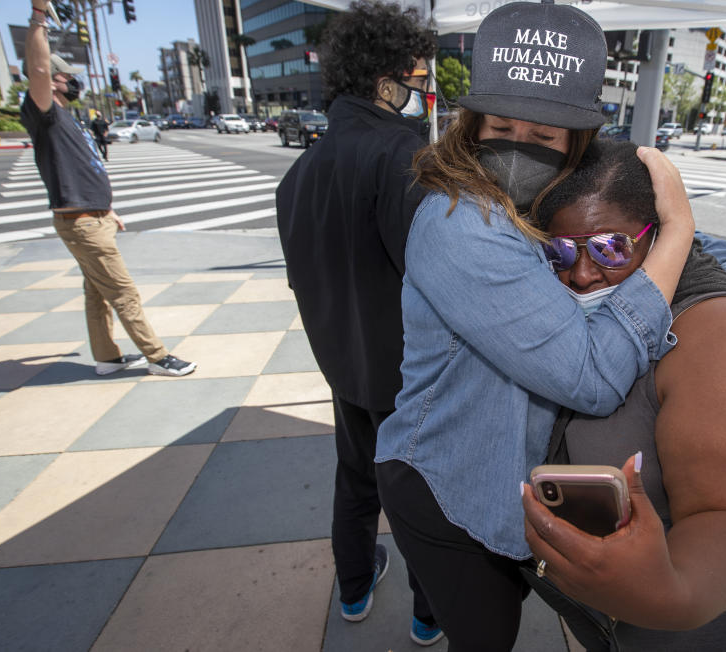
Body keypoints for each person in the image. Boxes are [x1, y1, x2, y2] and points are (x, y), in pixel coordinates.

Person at [374, 1, 726, 649]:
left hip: (529, 502)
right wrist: (676, 235)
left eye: (544, 137)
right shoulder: (464, 223)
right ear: (472, 124)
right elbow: (591, 377)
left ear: (571, 144)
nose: (520, 148)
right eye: (500, 125)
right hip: (452, 487)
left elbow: (635, 227)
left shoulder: (546, 204)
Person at [521, 138, 726, 651]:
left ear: (658, 239)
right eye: (561, 251)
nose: (584, 273)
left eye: (611, 248)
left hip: (717, 611)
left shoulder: (721, 333)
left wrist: (670, 593)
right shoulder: (563, 297)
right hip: (616, 606)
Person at [274, 1, 442, 644]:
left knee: (355, 478)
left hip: (341, 363)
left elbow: (301, 277)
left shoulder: (298, 174)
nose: (422, 91)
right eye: (418, 79)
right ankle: (428, 612)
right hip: (407, 371)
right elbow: (433, 276)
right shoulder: (403, 155)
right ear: (384, 83)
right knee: (417, 495)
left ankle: (352, 588)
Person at [21, 1, 195, 378]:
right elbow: (36, 67)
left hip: (90, 217)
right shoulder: (44, 111)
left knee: (97, 293)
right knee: (123, 292)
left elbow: (82, 170)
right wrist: (38, 17)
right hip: (81, 223)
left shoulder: (64, 116)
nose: (73, 82)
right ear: (50, 81)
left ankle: (107, 358)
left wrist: (105, 208)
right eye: (67, 77)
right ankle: (158, 356)